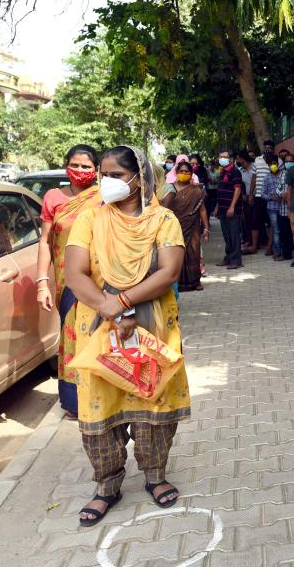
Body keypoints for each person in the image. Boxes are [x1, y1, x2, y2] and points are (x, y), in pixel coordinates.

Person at [65, 145, 190, 527]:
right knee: (101, 401)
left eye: (116, 175)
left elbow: (168, 272)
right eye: (104, 174)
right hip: (99, 324)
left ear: (138, 178)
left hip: (151, 323)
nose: (106, 182)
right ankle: (107, 485)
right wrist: (109, 308)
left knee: (154, 396)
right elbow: (75, 273)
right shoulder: (89, 219)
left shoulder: (163, 219)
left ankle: (155, 476)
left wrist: (123, 302)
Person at [35, 144, 103, 421]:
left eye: (86, 166)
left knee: (98, 334)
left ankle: (102, 395)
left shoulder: (104, 195)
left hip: (99, 279)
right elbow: (44, 242)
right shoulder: (53, 197)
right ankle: (75, 402)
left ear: (96, 170)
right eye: (75, 165)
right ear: (66, 166)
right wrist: (41, 282)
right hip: (67, 282)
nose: (80, 171)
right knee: (72, 336)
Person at [164, 160, 209, 291]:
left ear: (191, 174)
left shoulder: (196, 190)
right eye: (181, 171)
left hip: (193, 226)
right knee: (176, 254)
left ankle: (195, 282)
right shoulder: (169, 188)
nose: (184, 173)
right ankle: (178, 283)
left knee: (194, 252)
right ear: (176, 173)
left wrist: (206, 227)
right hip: (175, 226)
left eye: (187, 172)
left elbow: (202, 210)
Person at [214, 149, 243, 269]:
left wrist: (232, 207)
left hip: (232, 210)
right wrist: (217, 207)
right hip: (222, 208)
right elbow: (220, 191)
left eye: (224, 156)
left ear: (230, 159)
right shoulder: (223, 172)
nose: (222, 158)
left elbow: (238, 190)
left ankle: (236, 261)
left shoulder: (235, 172)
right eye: (220, 156)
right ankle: (228, 258)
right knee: (226, 235)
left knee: (234, 235)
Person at [247, 142, 275, 255]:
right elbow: (254, 178)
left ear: (273, 149)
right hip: (258, 196)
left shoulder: (277, 161)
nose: (267, 149)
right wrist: (250, 194)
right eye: (266, 147)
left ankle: (270, 247)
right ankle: (254, 246)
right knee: (255, 222)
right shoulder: (257, 160)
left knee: (271, 223)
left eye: (270, 148)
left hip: (271, 198)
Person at [261, 152, 288, 261]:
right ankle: (277, 251)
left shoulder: (284, 174)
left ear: (278, 163)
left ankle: (286, 250)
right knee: (276, 230)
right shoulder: (267, 178)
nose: (273, 166)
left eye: (274, 163)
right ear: (268, 165)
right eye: (270, 164)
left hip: (284, 207)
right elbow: (262, 193)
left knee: (284, 229)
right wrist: (270, 197)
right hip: (272, 208)